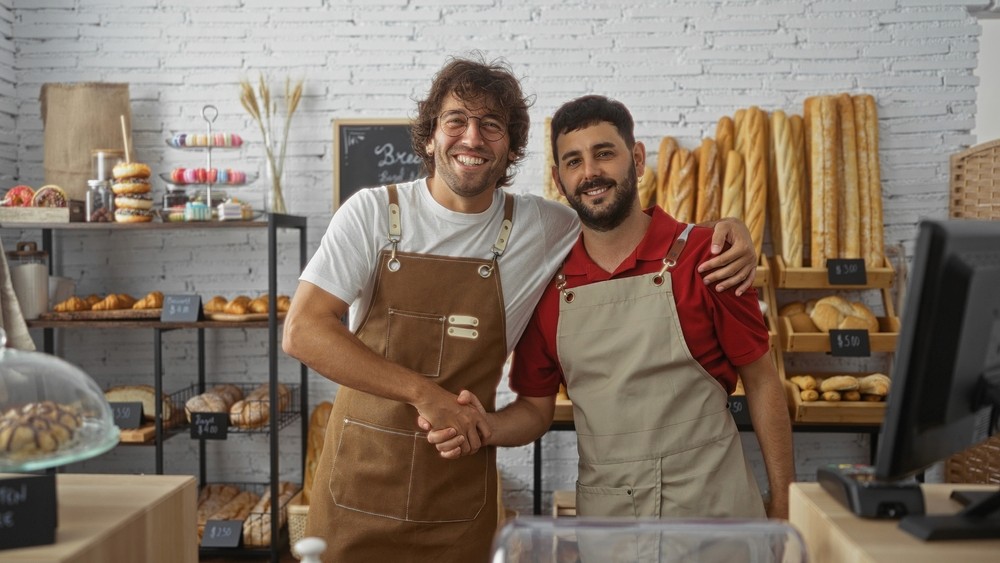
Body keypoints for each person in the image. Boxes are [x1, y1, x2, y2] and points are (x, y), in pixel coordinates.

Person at [282, 56, 757, 563]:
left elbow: (619, 219)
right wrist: (424, 394)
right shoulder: (373, 213)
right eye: (456, 121)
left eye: (491, 126)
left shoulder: (543, 226)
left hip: (459, 492)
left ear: (510, 147)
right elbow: (303, 331)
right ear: (429, 137)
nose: (472, 138)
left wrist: (726, 228)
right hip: (358, 486)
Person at [425, 94, 794, 522]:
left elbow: (765, 383)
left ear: (637, 159)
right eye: (574, 161)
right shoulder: (548, 284)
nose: (591, 173)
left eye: (604, 154)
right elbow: (535, 409)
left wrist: (784, 503)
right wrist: (484, 426)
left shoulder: (708, 258)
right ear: (558, 179)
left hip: (715, 513)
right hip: (610, 523)